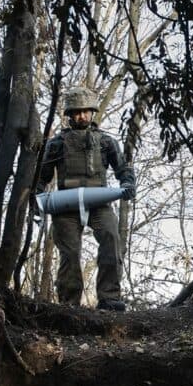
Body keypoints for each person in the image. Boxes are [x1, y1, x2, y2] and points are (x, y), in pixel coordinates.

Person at [36, 87, 136, 311]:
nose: (82, 116)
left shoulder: (105, 142)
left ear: (92, 113)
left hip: (99, 201)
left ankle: (109, 298)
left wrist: (128, 183)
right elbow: (41, 176)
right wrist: (37, 198)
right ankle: (69, 305)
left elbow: (122, 167)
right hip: (65, 204)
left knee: (111, 238)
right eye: (76, 112)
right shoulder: (57, 143)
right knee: (70, 252)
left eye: (86, 112)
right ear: (69, 115)